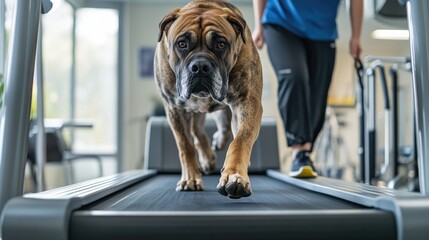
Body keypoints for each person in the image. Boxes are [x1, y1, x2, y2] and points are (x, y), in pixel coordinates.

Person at [252, 0, 363, 178]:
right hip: (281, 22)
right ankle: (300, 150)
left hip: (323, 31)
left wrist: (356, 36)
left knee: (318, 94)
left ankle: (306, 149)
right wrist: (258, 24)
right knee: (294, 76)